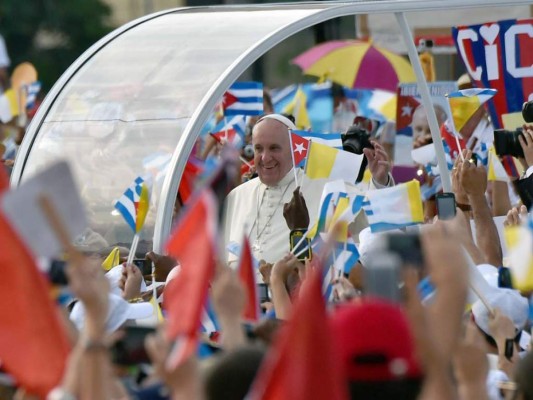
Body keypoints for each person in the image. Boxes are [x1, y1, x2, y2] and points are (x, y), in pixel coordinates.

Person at [222, 113, 393, 265]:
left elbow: (376, 233)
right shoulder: (236, 197)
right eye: (259, 149)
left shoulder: (329, 190)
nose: (265, 158)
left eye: (274, 148)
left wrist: (379, 183)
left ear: (293, 149)